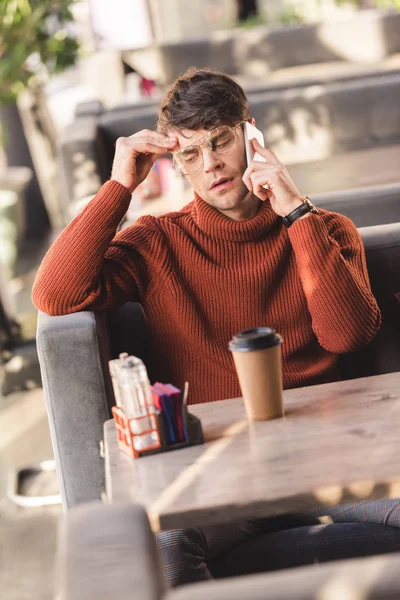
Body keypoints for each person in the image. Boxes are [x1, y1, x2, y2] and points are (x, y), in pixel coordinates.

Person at [32, 68, 400, 586]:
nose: (211, 165)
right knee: (161, 546)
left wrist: (295, 211)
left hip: (333, 460)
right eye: (190, 154)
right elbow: (55, 293)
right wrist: (119, 186)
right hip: (220, 473)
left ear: (251, 134)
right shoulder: (156, 242)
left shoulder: (325, 229)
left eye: (221, 141)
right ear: (177, 165)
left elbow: (348, 335)